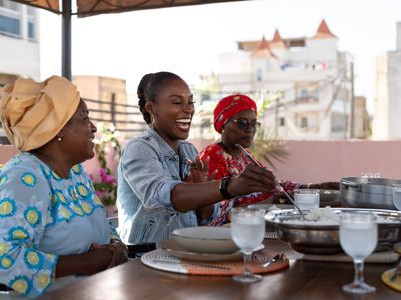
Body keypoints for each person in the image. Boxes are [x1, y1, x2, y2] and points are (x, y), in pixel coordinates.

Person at [0, 76, 128, 298]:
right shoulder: (25, 177)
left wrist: (116, 245)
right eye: (85, 119)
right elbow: (1, 259)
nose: (93, 128)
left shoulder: (74, 173)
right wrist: (85, 263)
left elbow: (101, 225)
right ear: (58, 129)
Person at [116, 72, 278, 245]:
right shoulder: (140, 148)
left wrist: (201, 193)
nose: (188, 109)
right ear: (151, 108)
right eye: (177, 102)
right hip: (145, 262)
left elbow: (204, 218)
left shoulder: (188, 150)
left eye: (190, 102)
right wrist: (230, 186)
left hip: (187, 253)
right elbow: (160, 198)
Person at [200, 94, 339, 226]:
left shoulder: (245, 156)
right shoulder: (212, 156)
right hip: (233, 235)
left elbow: (275, 186)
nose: (250, 129)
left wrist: (313, 187)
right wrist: (270, 202)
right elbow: (217, 217)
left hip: (258, 227)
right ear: (223, 125)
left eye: (254, 124)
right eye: (242, 123)